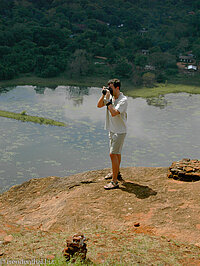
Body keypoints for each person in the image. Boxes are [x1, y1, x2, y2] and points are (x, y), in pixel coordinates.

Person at [97, 78, 128, 189]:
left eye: (111, 88)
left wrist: (109, 101)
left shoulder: (123, 100)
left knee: (112, 154)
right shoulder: (110, 97)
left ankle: (114, 182)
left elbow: (114, 113)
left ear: (117, 87)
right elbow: (99, 105)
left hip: (120, 131)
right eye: (108, 87)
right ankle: (117, 173)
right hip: (112, 129)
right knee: (117, 153)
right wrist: (104, 95)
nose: (109, 89)